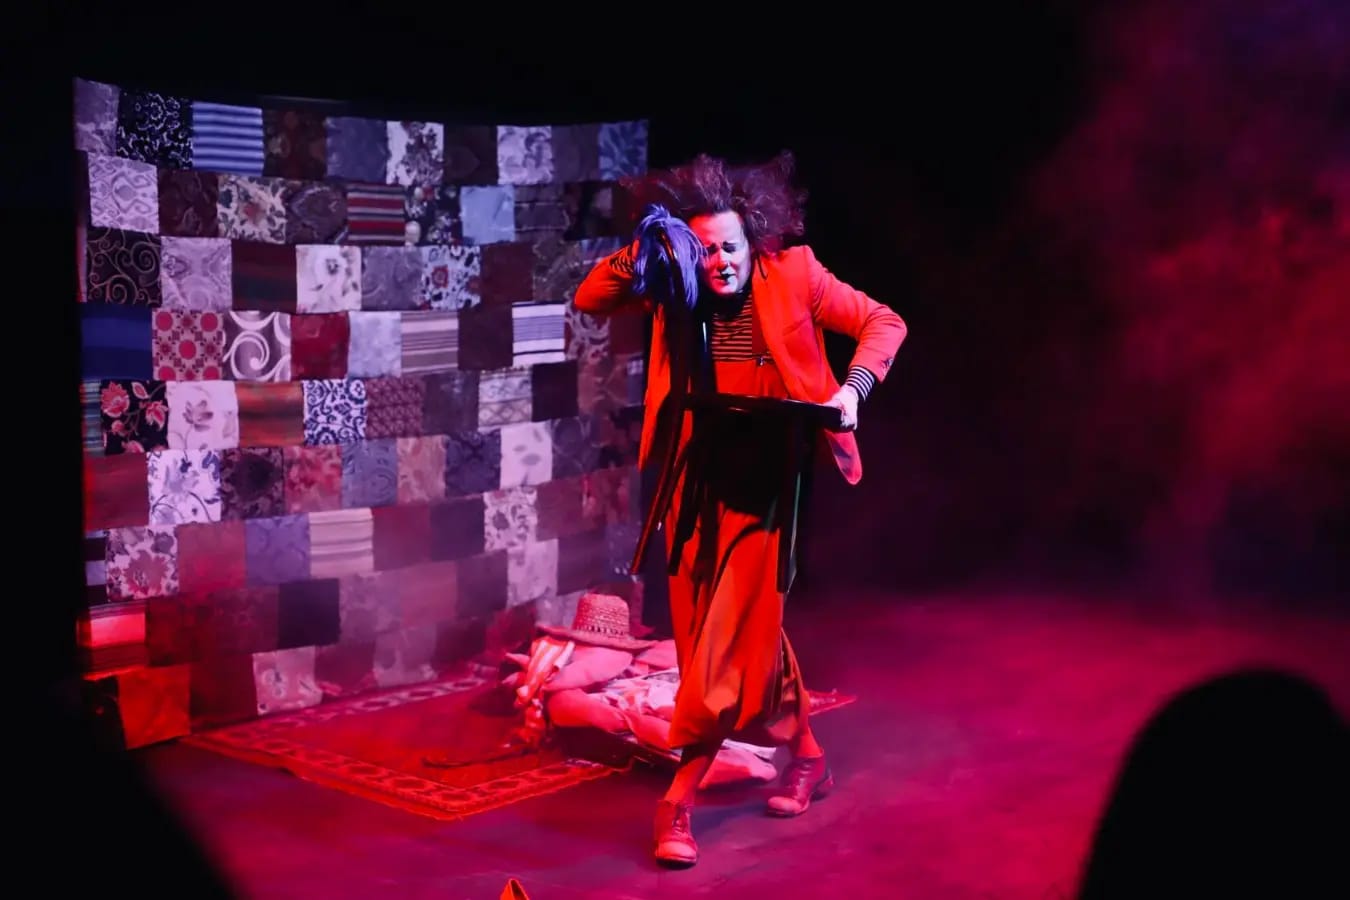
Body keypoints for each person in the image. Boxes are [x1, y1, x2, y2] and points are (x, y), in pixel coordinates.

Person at [572, 150, 907, 867]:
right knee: (726, 637)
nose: (719, 263)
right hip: (694, 484)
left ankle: (677, 802)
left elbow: (885, 323)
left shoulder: (795, 273)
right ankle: (809, 757)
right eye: (706, 250)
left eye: (729, 247)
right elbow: (590, 297)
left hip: (765, 488)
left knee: (725, 645)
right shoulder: (677, 281)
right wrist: (648, 249)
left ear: (752, 238)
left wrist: (851, 393)